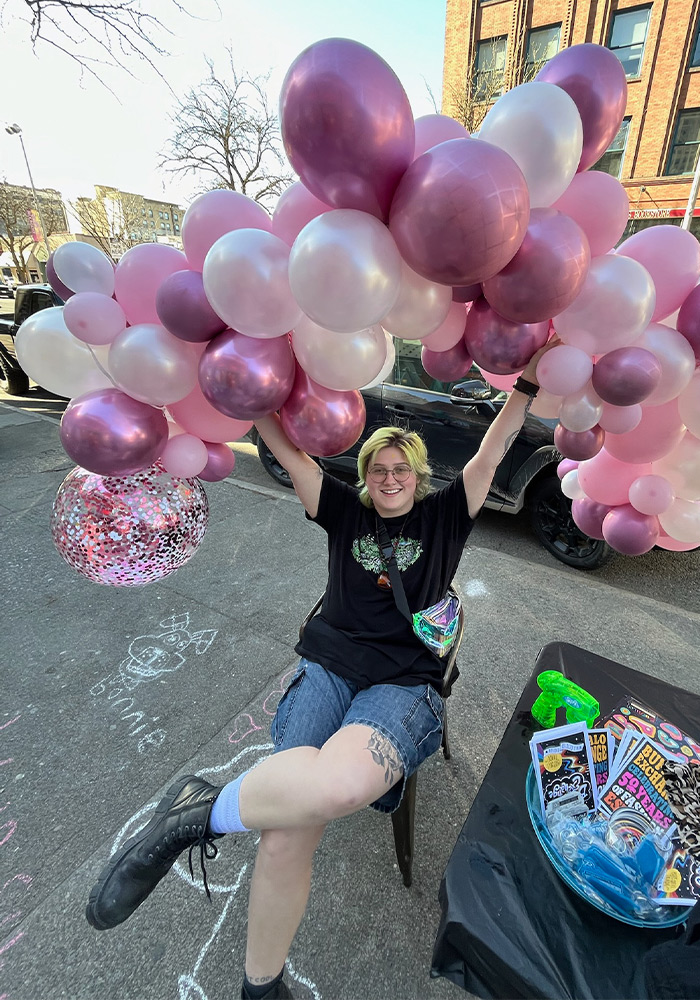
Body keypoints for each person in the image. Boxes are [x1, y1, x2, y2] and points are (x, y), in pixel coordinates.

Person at [85, 354, 546, 1000]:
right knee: (285, 830)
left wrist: (525, 387)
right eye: (377, 469)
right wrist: (246, 393)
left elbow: (493, 452)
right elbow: (292, 455)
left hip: (403, 683)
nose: (389, 477)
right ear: (365, 478)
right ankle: (261, 986)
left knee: (336, 785)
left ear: (418, 474)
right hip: (330, 667)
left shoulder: (446, 517)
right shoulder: (345, 514)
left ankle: (201, 811)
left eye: (400, 468)